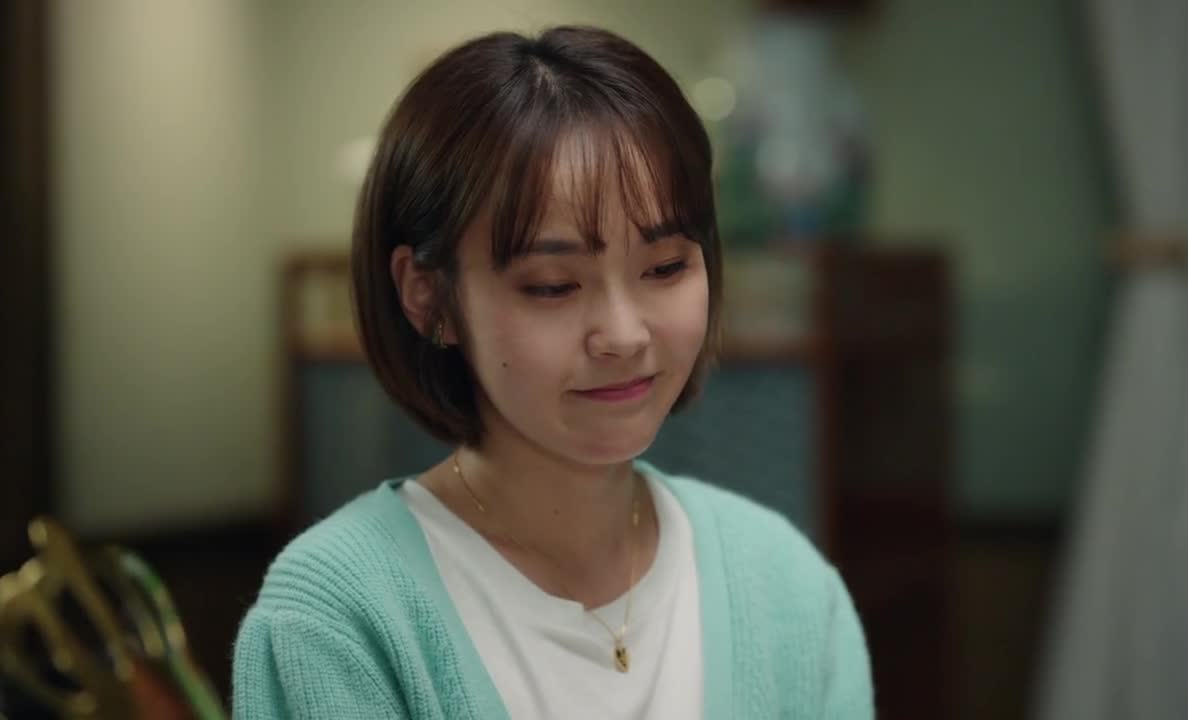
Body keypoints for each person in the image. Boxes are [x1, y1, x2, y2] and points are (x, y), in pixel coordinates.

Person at [232, 25, 873, 719]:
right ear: (428, 296)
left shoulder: (785, 588)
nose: (624, 335)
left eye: (665, 268)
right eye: (553, 286)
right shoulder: (338, 620)